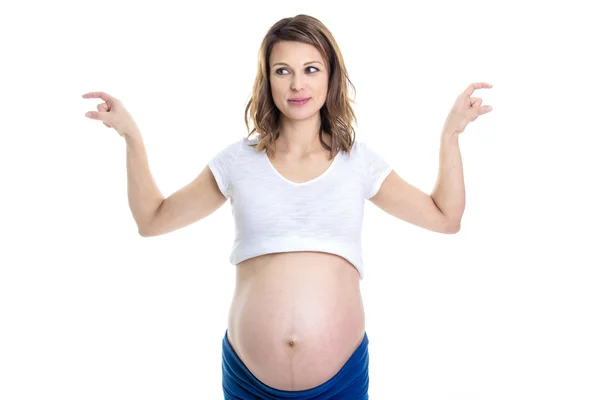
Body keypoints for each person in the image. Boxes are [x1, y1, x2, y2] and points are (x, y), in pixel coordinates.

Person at [83, 13, 492, 400]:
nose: (298, 84)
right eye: (283, 71)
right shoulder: (237, 161)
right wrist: (131, 137)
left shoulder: (358, 162)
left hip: (341, 380)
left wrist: (451, 134)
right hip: (249, 380)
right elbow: (152, 220)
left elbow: (445, 218)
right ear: (268, 80)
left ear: (330, 78)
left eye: (311, 69)